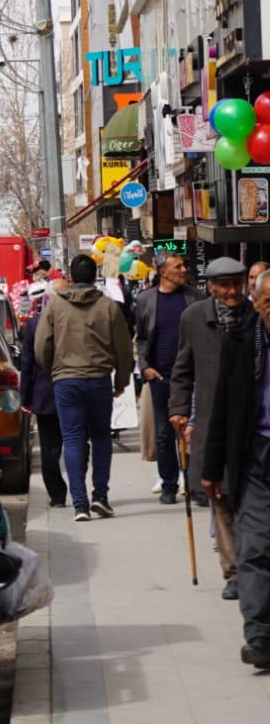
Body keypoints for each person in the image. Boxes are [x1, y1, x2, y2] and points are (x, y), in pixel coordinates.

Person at [202, 268, 270, 668]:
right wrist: (211, 469)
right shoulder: (241, 342)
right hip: (256, 456)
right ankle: (260, 636)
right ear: (258, 304)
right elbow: (222, 410)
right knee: (255, 547)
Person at [35, 253, 134, 521]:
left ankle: (79, 504)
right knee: (101, 436)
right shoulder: (109, 306)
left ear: (69, 277)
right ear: (94, 278)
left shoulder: (55, 305)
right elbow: (123, 350)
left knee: (72, 438)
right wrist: (122, 380)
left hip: (66, 379)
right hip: (99, 378)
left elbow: (41, 344)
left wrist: (54, 371)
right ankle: (100, 496)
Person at [172, 256, 247, 599]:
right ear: (213, 288)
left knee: (250, 501)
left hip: (250, 426)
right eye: (225, 286)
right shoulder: (194, 318)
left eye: (237, 285)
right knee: (220, 498)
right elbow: (182, 368)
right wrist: (178, 409)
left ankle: (252, 567)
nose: (232, 292)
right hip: (210, 423)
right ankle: (233, 573)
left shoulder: (256, 317)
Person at [132, 254, 207, 504]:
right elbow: (141, 338)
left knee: (191, 431)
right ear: (163, 272)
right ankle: (169, 484)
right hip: (161, 377)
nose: (184, 270)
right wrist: (145, 367)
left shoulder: (196, 297)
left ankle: (194, 484)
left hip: (192, 376)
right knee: (164, 433)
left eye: (184, 265)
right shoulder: (145, 300)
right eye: (178, 267)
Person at [19, 279, 70, 506]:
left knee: (50, 448)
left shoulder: (35, 324)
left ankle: (58, 495)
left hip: (46, 394)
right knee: (76, 442)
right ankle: (78, 490)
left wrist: (26, 397)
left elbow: (27, 364)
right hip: (73, 391)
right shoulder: (76, 322)